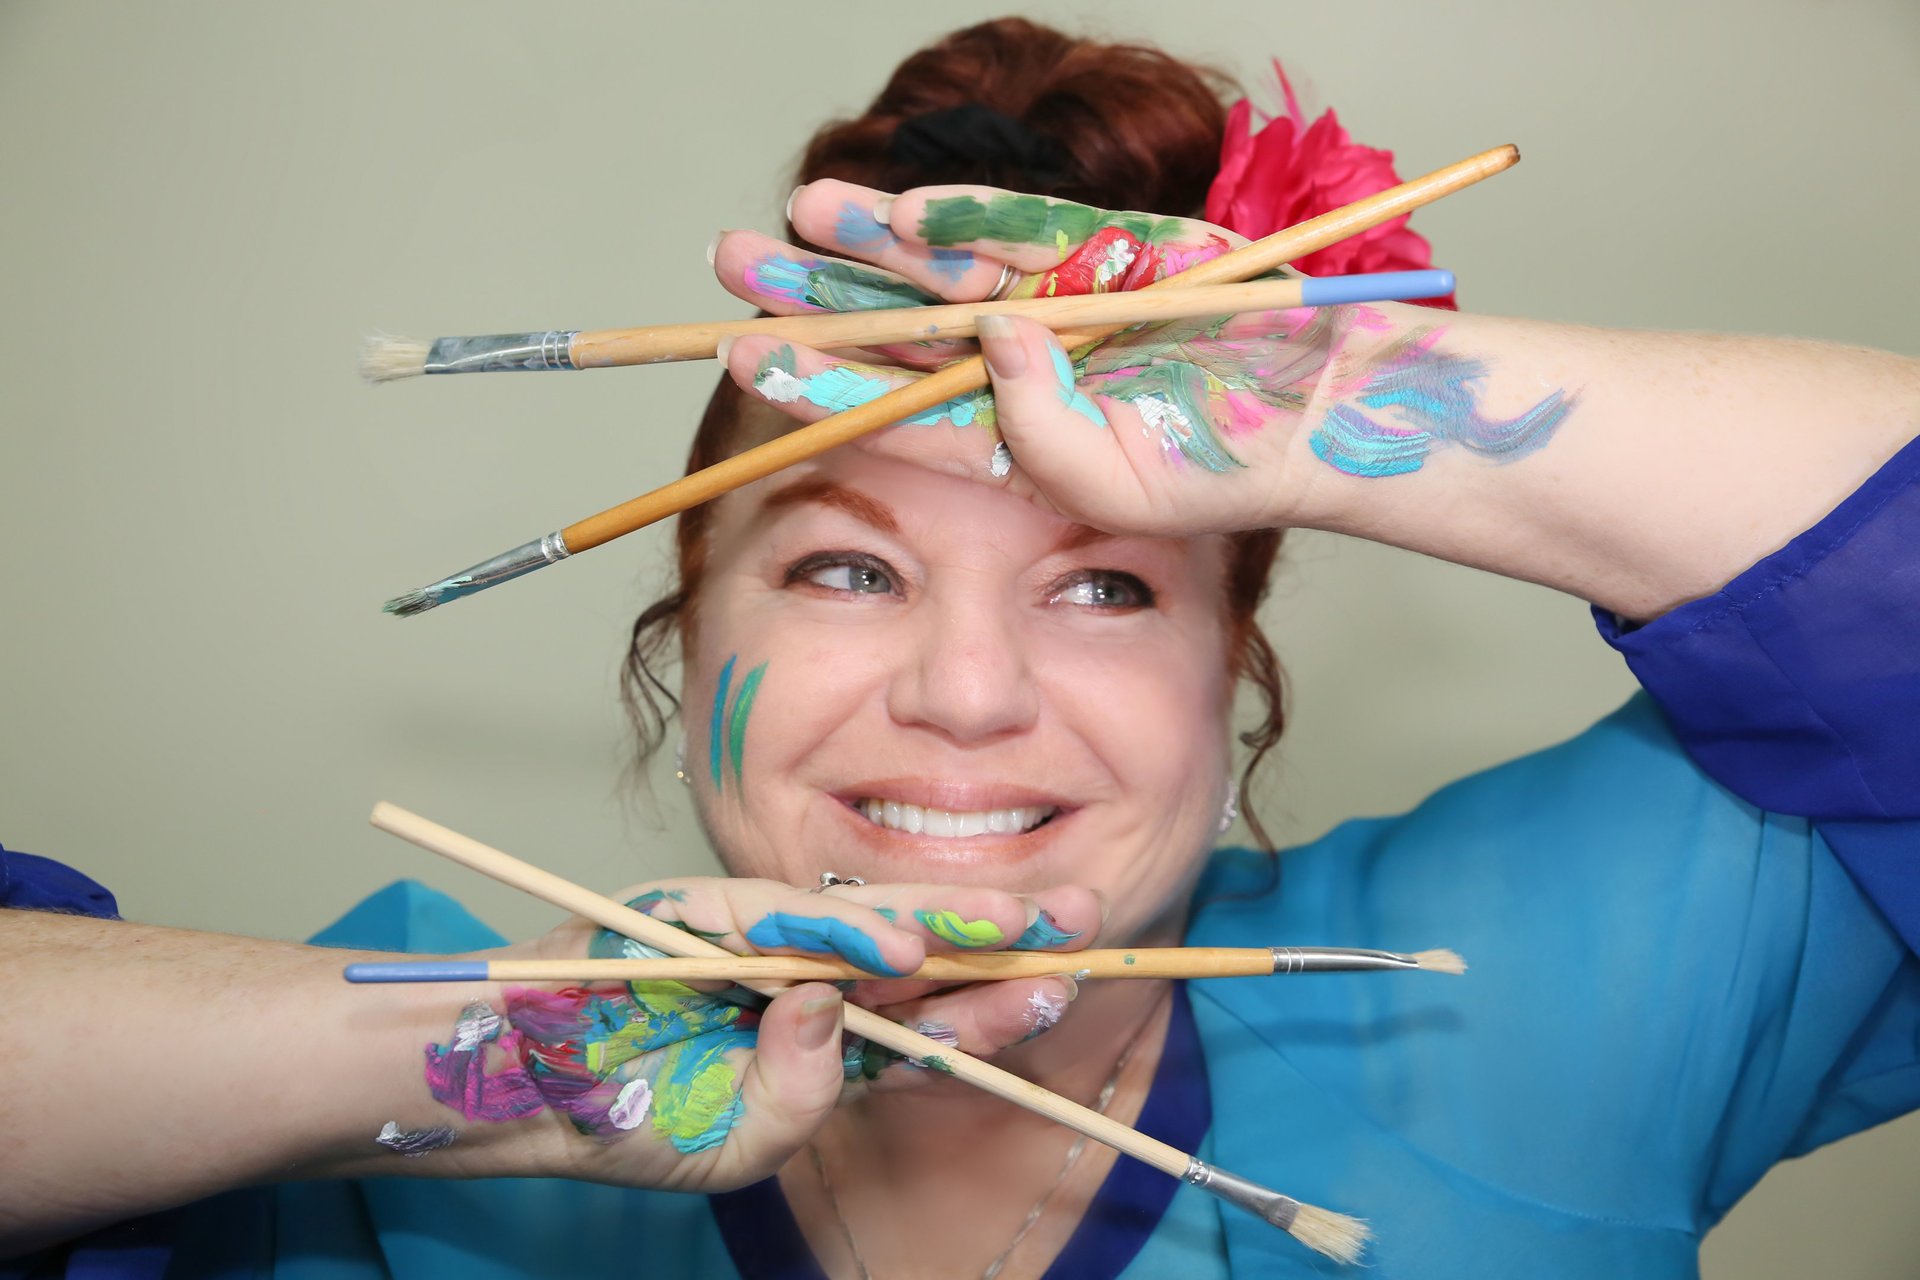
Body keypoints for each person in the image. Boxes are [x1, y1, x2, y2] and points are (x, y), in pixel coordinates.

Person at [4, 17, 1917, 1280]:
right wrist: (466, 1067)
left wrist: (1329, 395)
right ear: (683, 631)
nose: (970, 696)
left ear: (1236, 667)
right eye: (845, 572)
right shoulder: (432, 1014)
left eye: (1107, 586)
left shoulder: (1540, 981)